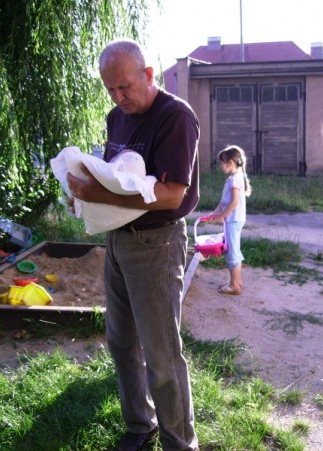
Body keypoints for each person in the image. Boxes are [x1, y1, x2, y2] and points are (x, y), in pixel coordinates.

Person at [67, 39, 200, 451]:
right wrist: (83, 192)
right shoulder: (115, 118)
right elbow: (117, 177)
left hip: (157, 244)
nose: (118, 97)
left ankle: (180, 443)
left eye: (124, 87)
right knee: (121, 340)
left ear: (149, 75)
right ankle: (140, 426)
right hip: (118, 239)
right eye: (110, 89)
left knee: (162, 356)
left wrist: (98, 196)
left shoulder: (176, 116)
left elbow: (172, 195)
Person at [206, 145, 252, 295]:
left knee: (232, 251)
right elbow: (224, 200)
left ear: (231, 162)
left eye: (222, 162)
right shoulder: (235, 177)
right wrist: (215, 213)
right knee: (233, 249)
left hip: (233, 220)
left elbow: (234, 202)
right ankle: (237, 282)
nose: (220, 166)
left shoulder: (235, 180)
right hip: (234, 219)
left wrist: (221, 217)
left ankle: (234, 285)